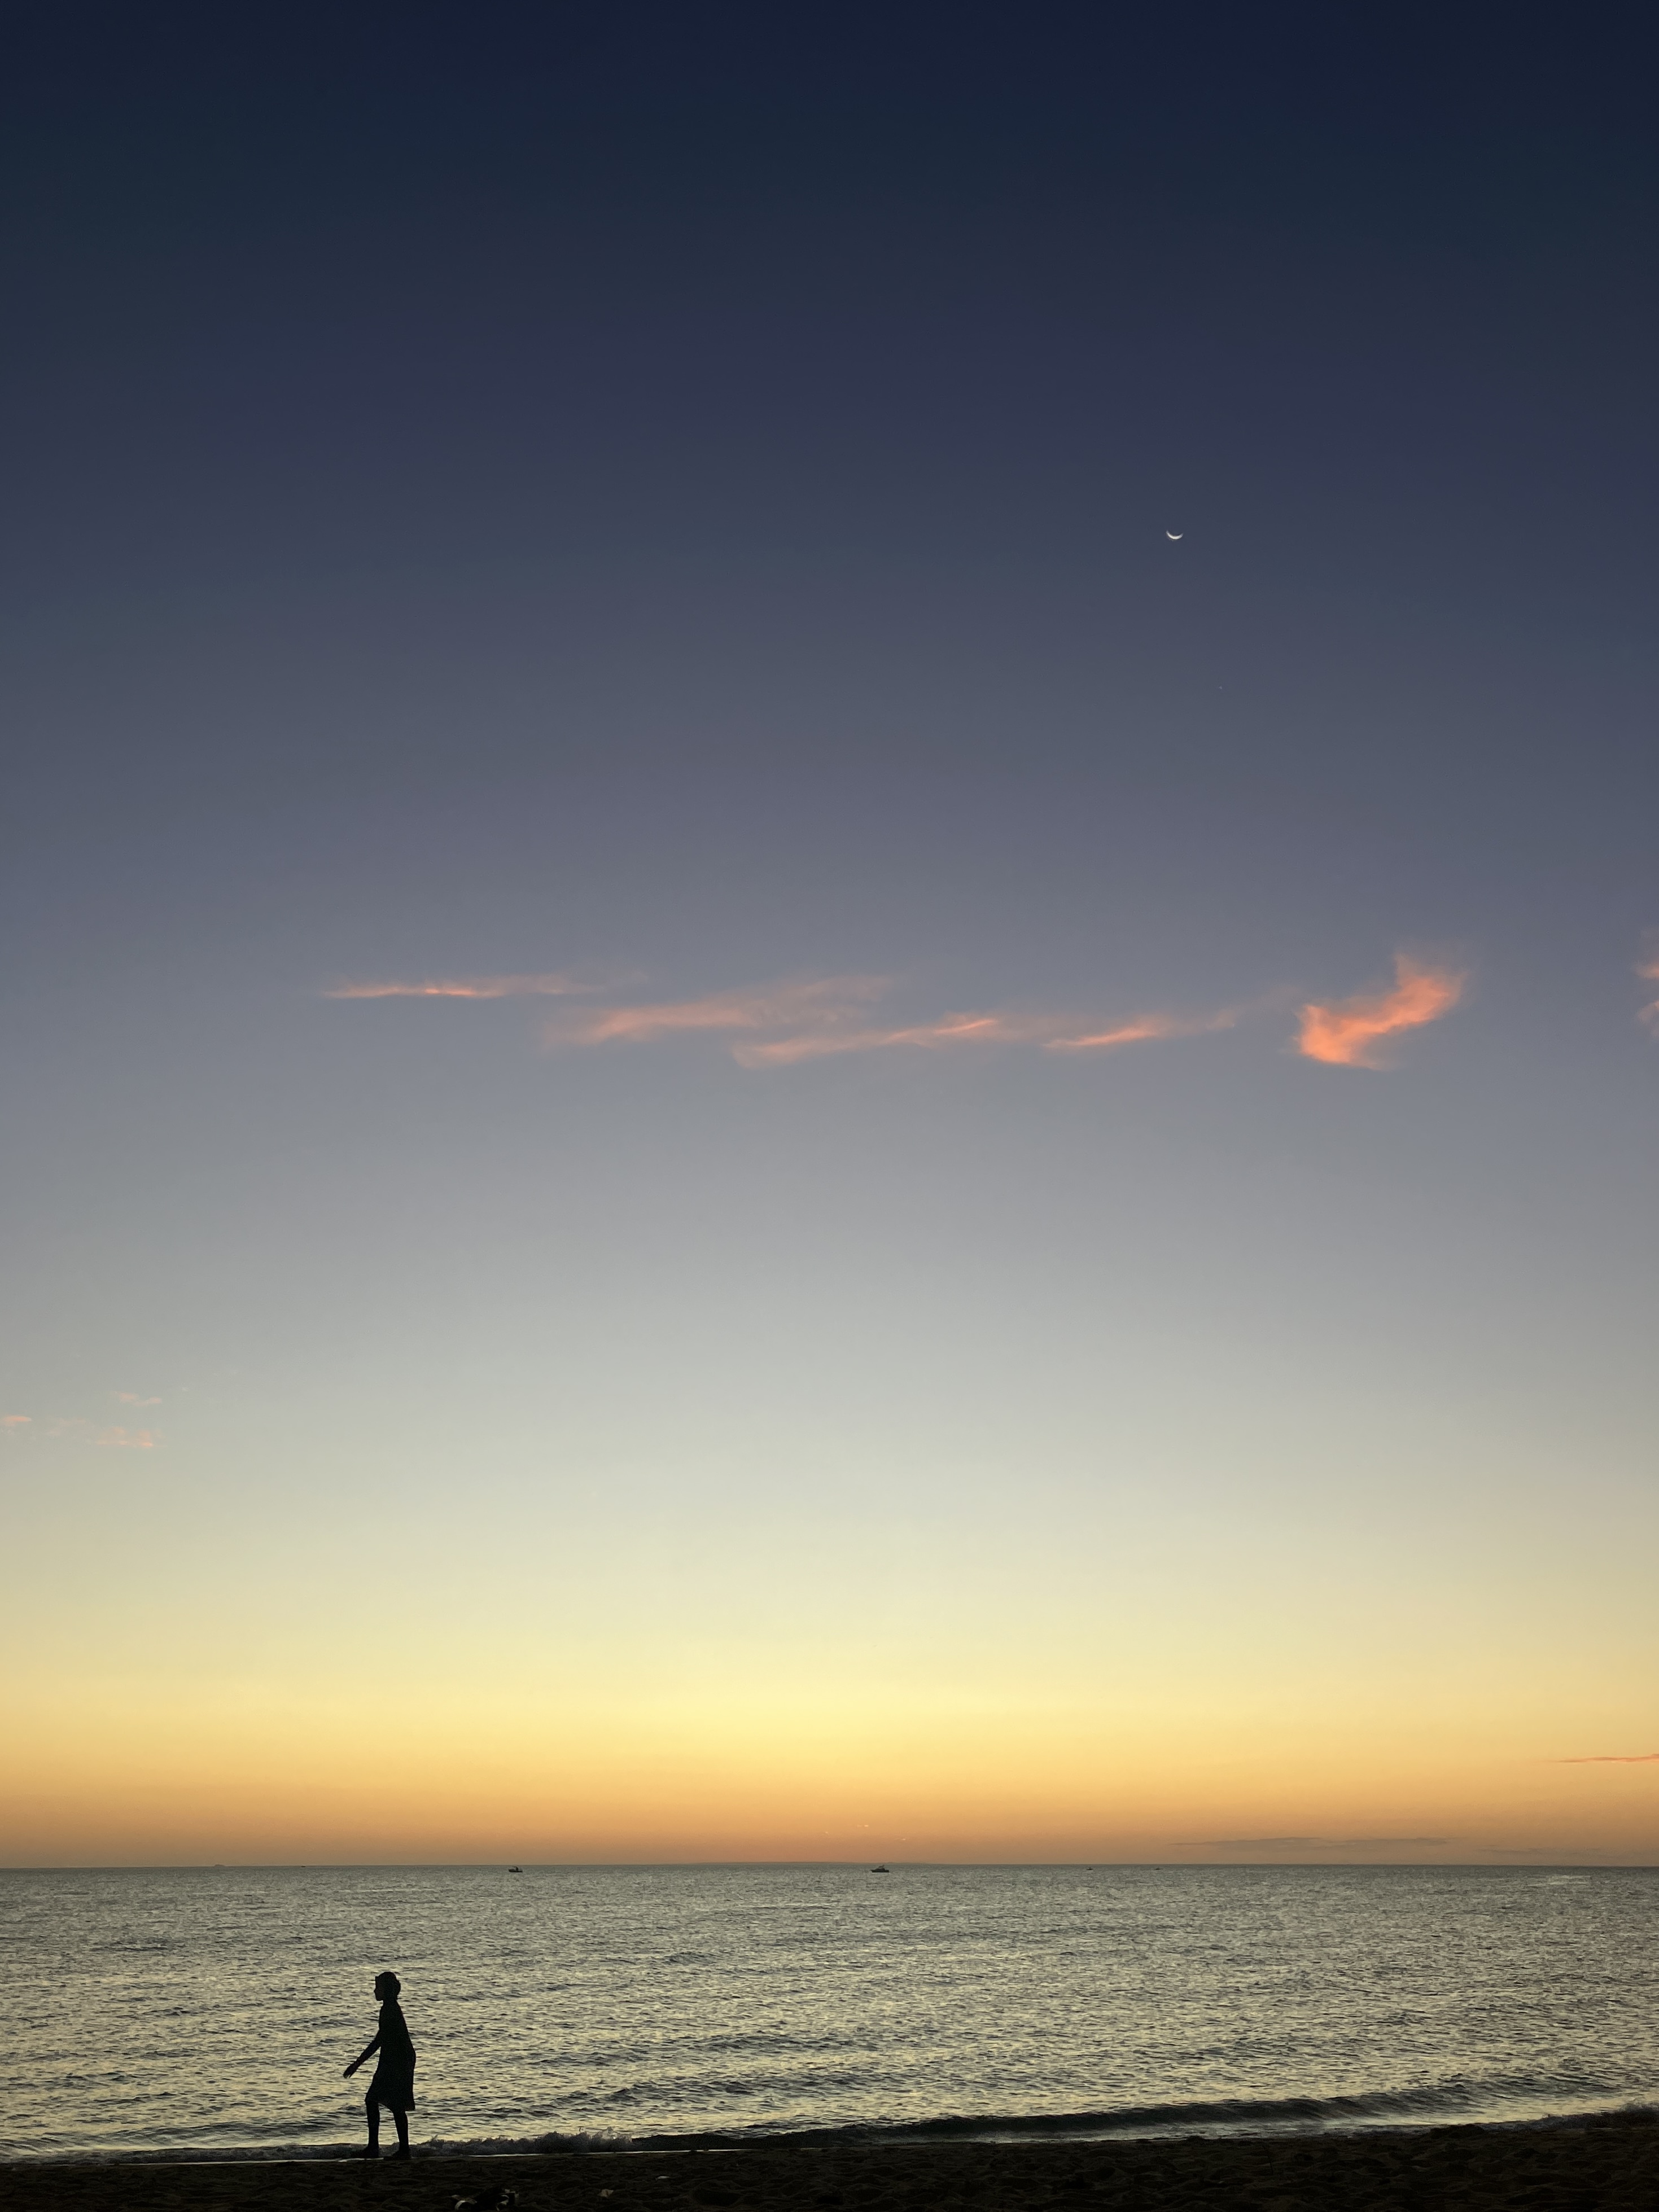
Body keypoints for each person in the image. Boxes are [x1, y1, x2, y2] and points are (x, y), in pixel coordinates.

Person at [344, 1970, 418, 2159]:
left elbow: (379, 2041)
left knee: (379, 2101)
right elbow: (381, 2039)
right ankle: (399, 2149)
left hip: (397, 2060)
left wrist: (357, 2064)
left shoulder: (389, 2010)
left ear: (386, 1990)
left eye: (378, 1987)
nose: (375, 1991)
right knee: (393, 2104)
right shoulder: (390, 2008)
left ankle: (382, 2148)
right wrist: (358, 2063)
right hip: (396, 2059)